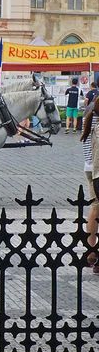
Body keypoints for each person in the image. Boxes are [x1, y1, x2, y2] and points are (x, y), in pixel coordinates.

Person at [80, 102, 99, 274]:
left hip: (89, 166)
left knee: (95, 207)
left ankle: (91, 249)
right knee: (96, 207)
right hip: (96, 169)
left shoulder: (90, 110)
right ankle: (93, 252)